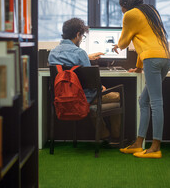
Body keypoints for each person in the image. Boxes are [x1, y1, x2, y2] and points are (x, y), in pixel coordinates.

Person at [112, 0, 170, 158]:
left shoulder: (130, 15)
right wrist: (139, 68)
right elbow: (145, 41)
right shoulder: (150, 11)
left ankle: (155, 148)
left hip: (152, 59)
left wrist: (116, 46)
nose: (122, 11)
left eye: (121, 8)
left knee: (156, 103)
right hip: (166, 57)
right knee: (144, 100)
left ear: (124, 5)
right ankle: (138, 143)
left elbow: (124, 42)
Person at [48, 17, 121, 145]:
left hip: (60, 97)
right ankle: (114, 137)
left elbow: (67, 65)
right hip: (81, 98)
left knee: (93, 96)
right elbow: (90, 82)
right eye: (82, 36)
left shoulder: (52, 53)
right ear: (77, 34)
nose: (82, 39)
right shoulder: (80, 53)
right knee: (116, 96)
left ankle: (105, 135)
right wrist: (100, 87)